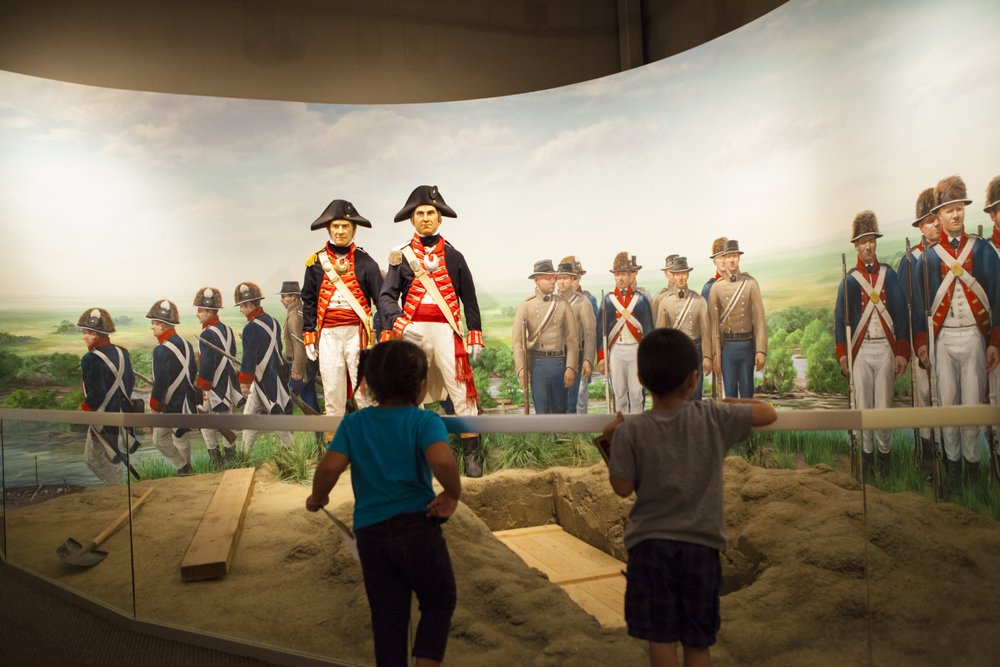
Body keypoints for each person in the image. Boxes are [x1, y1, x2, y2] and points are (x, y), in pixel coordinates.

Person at [600, 328, 776, 667]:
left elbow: (622, 487)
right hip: (701, 546)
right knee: (697, 642)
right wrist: (727, 402)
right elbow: (768, 413)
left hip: (649, 547)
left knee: (661, 640)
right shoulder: (712, 416)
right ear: (694, 378)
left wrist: (611, 441)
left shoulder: (630, 430)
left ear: (640, 378)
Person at [306, 339, 461, 667]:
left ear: (369, 384)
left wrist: (318, 497)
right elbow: (443, 462)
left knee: (388, 620)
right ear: (421, 387)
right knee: (438, 601)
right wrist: (452, 493)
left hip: (372, 536)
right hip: (418, 528)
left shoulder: (354, 423)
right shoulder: (424, 421)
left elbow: (330, 466)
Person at [379, 185, 484, 476]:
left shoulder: (454, 257)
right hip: (412, 331)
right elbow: (387, 296)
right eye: (420, 214)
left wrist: (473, 332)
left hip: (447, 331)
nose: (426, 218)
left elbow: (469, 298)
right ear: (412, 220)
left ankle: (472, 457)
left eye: (431, 213)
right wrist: (400, 322)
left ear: (440, 219)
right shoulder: (399, 256)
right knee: (410, 393)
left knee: (461, 391)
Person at [912, 175, 1000, 494]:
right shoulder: (930, 259)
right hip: (944, 340)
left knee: (973, 407)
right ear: (939, 215)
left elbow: (998, 296)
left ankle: (973, 474)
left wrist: (994, 342)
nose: (955, 215)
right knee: (947, 406)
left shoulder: (984, 252)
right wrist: (923, 347)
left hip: (975, 337)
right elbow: (922, 307)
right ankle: (952, 474)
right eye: (949, 210)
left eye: (959, 208)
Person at [835, 211, 910, 479]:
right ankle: (867, 463)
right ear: (856, 246)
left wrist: (901, 352)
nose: (868, 246)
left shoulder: (889, 276)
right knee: (863, 409)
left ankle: (885, 462)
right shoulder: (849, 281)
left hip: (886, 350)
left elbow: (901, 315)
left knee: (884, 408)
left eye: (871, 240)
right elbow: (839, 322)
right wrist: (844, 356)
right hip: (862, 351)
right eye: (863, 241)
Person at [302, 199, 383, 419]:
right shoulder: (315, 263)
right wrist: (309, 335)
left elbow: (382, 300)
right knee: (332, 391)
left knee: (365, 392)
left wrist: (384, 332)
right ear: (328, 228)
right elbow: (308, 301)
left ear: (354, 229)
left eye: (345, 226)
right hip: (328, 334)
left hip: (358, 334)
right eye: (336, 226)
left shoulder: (367, 263)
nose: (340, 231)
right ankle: (336, 448)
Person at [896, 189, 941, 470]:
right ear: (921, 227)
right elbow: (904, 309)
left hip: (951, 336)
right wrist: (912, 346)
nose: (935, 224)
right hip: (921, 339)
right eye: (929, 220)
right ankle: (927, 458)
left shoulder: (959, 254)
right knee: (924, 398)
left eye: (937, 218)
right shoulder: (910, 261)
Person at [77, 307, 139, 484]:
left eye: (86, 332)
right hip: (122, 414)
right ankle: (118, 489)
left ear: (96, 334)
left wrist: (85, 409)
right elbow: (129, 383)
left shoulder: (90, 359)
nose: (84, 337)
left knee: (94, 458)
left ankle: (117, 491)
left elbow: (96, 394)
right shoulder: (122, 352)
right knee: (112, 456)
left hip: (102, 418)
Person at [512, 259, 580, 414]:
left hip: (559, 364)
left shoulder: (563, 304)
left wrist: (570, 367)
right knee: (541, 411)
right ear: (536, 280)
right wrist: (521, 368)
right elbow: (517, 342)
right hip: (537, 365)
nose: (553, 282)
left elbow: (572, 340)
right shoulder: (526, 306)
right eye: (547, 278)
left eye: (553, 278)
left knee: (560, 410)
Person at [234, 282, 294, 453]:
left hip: (264, 378)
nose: (240, 310)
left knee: (276, 416)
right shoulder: (273, 321)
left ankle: (292, 450)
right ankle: (244, 454)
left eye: (242, 306)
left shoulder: (250, 328)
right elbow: (278, 348)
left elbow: (249, 358)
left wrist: (244, 382)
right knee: (249, 418)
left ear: (249, 305)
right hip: (274, 375)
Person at [597, 252, 655, 414]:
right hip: (616, 349)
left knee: (637, 393)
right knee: (619, 392)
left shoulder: (641, 300)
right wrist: (602, 357)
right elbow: (600, 332)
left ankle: (637, 427)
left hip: (636, 350)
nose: (620, 278)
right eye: (617, 274)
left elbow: (649, 329)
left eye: (623, 274)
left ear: (631, 276)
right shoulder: (608, 301)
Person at [708, 239, 766, 399]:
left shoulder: (750, 284)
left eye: (734, 255)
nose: (732, 260)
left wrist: (760, 350)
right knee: (730, 396)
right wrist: (715, 354)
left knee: (748, 394)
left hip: (747, 345)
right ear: (723, 259)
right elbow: (713, 325)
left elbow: (759, 319)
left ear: (739, 258)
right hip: (727, 348)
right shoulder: (716, 288)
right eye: (728, 256)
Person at [146, 299, 198, 475]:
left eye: (154, 323)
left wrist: (155, 404)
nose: (152, 326)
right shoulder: (186, 344)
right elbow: (193, 371)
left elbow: (161, 381)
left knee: (160, 441)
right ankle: (186, 469)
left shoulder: (160, 350)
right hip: (186, 401)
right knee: (181, 439)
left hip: (170, 404)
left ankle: (182, 468)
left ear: (163, 325)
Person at [193, 287, 241, 466]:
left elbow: (206, 365)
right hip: (227, 385)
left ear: (209, 311)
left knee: (206, 424)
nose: (197, 314)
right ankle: (231, 457)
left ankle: (216, 461)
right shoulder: (227, 330)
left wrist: (204, 389)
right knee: (226, 420)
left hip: (212, 387)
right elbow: (233, 354)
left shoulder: (206, 333)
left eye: (200, 310)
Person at [655, 257, 712, 401]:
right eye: (677, 274)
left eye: (683, 273)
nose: (681, 277)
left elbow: (705, 332)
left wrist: (707, 357)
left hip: (695, 351)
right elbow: (660, 335)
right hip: (675, 353)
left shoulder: (699, 301)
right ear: (672, 276)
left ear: (687, 275)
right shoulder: (665, 302)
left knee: (696, 392)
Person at [556, 258, 596, 413]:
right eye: (559, 278)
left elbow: (590, 333)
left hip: (577, 353)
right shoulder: (552, 301)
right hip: (556, 356)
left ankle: (576, 433)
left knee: (576, 397)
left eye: (565, 278)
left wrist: (587, 359)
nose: (562, 282)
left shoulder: (583, 302)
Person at [279, 281, 319, 416]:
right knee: (310, 400)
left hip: (301, 365)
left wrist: (297, 370)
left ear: (294, 297)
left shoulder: (294, 317)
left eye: (284, 296)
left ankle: (286, 433)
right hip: (307, 364)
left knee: (286, 399)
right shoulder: (299, 312)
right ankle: (319, 434)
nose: (282, 300)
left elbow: (299, 344)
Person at [700, 237, 729, 302]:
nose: (723, 261)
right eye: (719, 257)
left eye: (725, 256)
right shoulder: (708, 288)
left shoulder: (740, 282)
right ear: (714, 261)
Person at [650, 254, 678, 318]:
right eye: (671, 271)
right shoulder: (658, 299)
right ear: (665, 273)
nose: (674, 274)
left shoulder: (691, 296)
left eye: (676, 270)